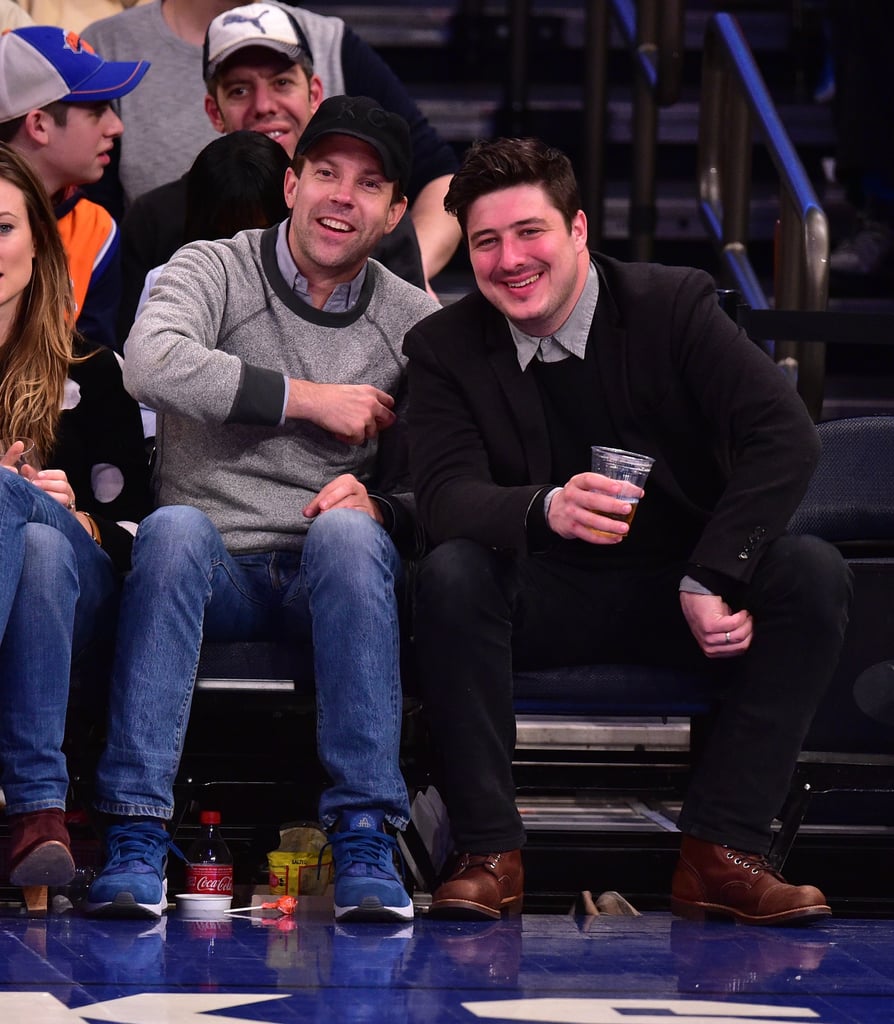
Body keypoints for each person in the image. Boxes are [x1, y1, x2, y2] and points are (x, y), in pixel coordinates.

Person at [403, 137, 853, 926]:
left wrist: (714, 573)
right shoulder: (442, 345)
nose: (510, 259)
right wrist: (545, 506)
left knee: (811, 573)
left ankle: (723, 852)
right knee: (450, 574)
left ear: (577, 230)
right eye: (485, 241)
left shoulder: (672, 305)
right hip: (539, 595)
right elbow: (443, 497)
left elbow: (787, 435)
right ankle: (487, 854)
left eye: (529, 232)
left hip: (678, 591)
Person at [83, 96, 440, 922]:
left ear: (393, 214)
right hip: (218, 567)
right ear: (291, 184)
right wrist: (307, 399)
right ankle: (135, 830)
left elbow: (455, 468)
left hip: (332, 569)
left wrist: (383, 503)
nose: (341, 196)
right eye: (325, 173)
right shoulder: (214, 266)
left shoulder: (413, 320)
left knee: (354, 537)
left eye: (369, 183)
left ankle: (363, 832)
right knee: (170, 530)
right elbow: (152, 364)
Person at [0, 143, 151, 890]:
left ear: (37, 242)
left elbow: (142, 529)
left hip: (87, 606)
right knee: (33, 544)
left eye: (2, 228)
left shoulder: (95, 370)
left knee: (26, 515)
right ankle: (36, 812)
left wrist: (82, 517)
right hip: (37, 575)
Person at [82, 0, 460, 292]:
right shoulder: (157, 217)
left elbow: (439, 174)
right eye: (240, 90)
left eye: (281, 83)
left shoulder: (357, 214)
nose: (264, 106)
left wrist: (400, 289)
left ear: (314, 94)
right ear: (214, 111)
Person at [130, 129, 291, 439]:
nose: (240, 247)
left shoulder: (312, 287)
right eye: (229, 231)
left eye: (257, 230)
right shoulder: (166, 279)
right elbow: (146, 399)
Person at [0, 26, 148, 351]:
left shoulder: (97, 229)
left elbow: (89, 375)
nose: (117, 127)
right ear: (39, 125)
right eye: (98, 111)